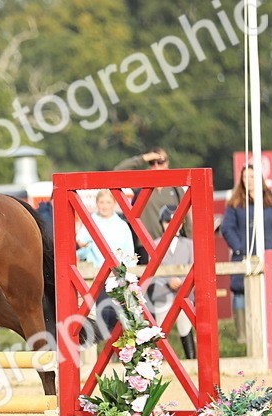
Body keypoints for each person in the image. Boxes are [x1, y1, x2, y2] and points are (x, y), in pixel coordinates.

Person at [220, 164, 272, 344]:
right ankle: (243, 338)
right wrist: (239, 247)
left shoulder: (270, 201)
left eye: (251, 177)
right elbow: (227, 228)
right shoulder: (235, 203)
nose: (248, 180)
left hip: (267, 256)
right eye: (245, 177)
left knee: (268, 294)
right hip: (243, 257)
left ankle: (269, 336)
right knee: (240, 294)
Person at [76, 189, 135, 336]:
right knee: (99, 317)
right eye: (101, 202)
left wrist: (128, 276)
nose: (105, 205)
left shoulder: (122, 226)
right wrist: (82, 246)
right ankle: (100, 347)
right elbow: (80, 252)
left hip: (117, 278)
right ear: (96, 204)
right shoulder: (89, 223)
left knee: (118, 318)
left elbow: (129, 253)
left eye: (108, 202)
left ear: (114, 204)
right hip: (96, 278)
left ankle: (116, 348)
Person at [147, 205, 196, 359]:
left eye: (175, 222)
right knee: (160, 330)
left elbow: (193, 267)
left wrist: (181, 281)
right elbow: (152, 270)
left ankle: (191, 359)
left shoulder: (189, 244)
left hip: (184, 293)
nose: (171, 225)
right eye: (167, 221)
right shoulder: (154, 244)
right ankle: (157, 362)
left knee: (186, 327)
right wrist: (168, 281)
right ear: (161, 223)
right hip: (163, 293)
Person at [114, 146, 193, 242]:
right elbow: (116, 172)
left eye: (160, 162)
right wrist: (143, 158)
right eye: (152, 162)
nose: (156, 165)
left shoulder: (176, 188)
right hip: (145, 243)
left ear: (167, 163)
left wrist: (190, 242)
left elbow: (186, 218)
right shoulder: (141, 183)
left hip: (171, 243)